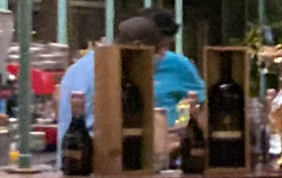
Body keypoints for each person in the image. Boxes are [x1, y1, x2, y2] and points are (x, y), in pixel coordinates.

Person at [54, 9, 205, 159]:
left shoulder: (82, 67)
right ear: (138, 47)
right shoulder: (108, 74)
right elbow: (104, 135)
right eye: (156, 52)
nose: (160, 57)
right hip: (98, 164)